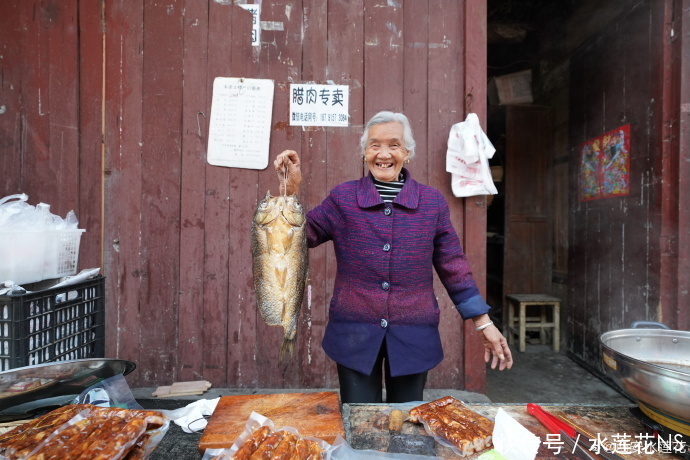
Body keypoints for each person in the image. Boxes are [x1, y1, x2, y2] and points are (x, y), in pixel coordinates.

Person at [274, 111, 512, 404]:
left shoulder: (431, 203)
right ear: (364, 152)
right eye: (374, 145)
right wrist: (289, 193)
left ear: (408, 153)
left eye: (394, 145)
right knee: (359, 422)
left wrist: (483, 322)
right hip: (354, 332)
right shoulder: (343, 198)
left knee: (407, 423)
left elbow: (454, 266)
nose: (383, 154)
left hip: (413, 332)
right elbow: (296, 238)